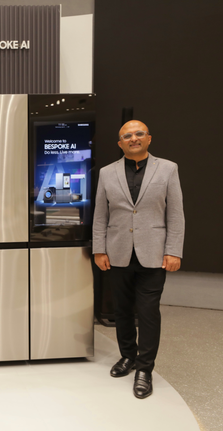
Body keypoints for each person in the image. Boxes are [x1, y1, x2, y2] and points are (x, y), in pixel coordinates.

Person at [93, 120, 184, 399]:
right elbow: (100, 214)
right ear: (120, 143)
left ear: (149, 138)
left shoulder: (167, 169)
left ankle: (145, 368)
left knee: (148, 312)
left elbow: (175, 213)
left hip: (153, 254)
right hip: (117, 252)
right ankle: (127, 356)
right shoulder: (107, 172)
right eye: (127, 136)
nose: (133, 138)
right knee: (121, 311)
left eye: (139, 134)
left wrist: (174, 250)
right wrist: (99, 249)